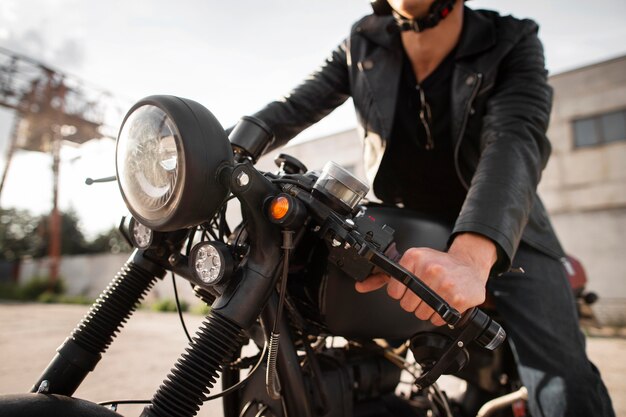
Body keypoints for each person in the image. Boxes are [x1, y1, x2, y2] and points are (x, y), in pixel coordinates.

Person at [249, 0, 615, 415]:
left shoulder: (511, 39)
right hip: (403, 230)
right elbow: (290, 108)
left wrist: (471, 255)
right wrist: (214, 154)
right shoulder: (362, 43)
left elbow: (515, 140)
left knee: (560, 373)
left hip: (504, 230)